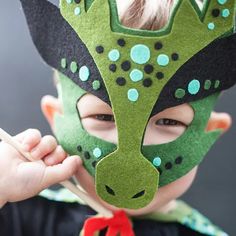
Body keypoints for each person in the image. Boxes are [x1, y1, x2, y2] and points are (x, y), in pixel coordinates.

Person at [0, 0, 235, 235]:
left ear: (211, 131)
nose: (133, 161)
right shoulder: (21, 211)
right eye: (103, 117)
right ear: (56, 117)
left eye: (168, 122)